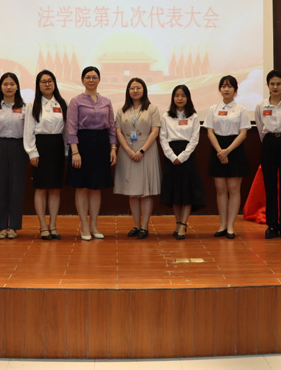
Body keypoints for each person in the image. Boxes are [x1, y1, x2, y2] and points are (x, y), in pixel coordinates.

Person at [66, 66, 117, 241]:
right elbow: (71, 127)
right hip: (83, 145)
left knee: (96, 188)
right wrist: (75, 152)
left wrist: (113, 148)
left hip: (101, 145)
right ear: (82, 80)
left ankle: (94, 225)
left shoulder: (106, 102)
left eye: (94, 77)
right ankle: (84, 226)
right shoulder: (75, 101)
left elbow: (112, 127)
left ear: (99, 79)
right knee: (82, 187)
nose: (91, 80)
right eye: (88, 77)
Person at [23, 69, 68, 240]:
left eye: (50, 81)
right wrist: (32, 152)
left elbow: (66, 130)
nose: (47, 84)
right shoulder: (32, 104)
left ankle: (53, 226)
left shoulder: (62, 103)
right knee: (41, 188)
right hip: (40, 147)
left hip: (57, 146)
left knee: (55, 188)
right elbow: (28, 130)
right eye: (43, 81)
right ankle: (43, 226)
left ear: (54, 83)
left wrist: (66, 151)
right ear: (38, 85)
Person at [115, 78, 162, 239]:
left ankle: (144, 227)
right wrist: (128, 150)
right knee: (132, 192)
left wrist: (142, 150)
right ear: (128, 91)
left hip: (146, 151)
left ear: (144, 90)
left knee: (146, 192)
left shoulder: (152, 108)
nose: (135, 91)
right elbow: (118, 131)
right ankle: (136, 225)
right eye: (132, 88)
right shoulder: (122, 110)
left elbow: (155, 131)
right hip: (127, 151)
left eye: (138, 87)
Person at [204, 75, 251, 239]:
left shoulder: (241, 109)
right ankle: (223, 224)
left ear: (235, 90)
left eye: (230, 86)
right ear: (219, 89)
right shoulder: (213, 109)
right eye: (223, 86)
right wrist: (220, 151)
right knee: (221, 189)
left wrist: (227, 151)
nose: (226, 89)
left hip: (235, 150)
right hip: (217, 149)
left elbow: (243, 133)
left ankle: (231, 226)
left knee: (233, 189)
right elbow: (209, 132)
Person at [254, 70, 281, 240]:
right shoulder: (261, 106)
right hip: (269, 143)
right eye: (272, 83)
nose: (275, 87)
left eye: (278, 84)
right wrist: (270, 141)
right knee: (270, 185)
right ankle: (272, 224)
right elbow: (260, 129)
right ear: (268, 85)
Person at [0, 72, 27, 240]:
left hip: (19, 147)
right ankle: (1, 226)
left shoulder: (25, 107)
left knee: (16, 188)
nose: (9, 87)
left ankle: (14, 226)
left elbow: (29, 131)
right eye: (5, 84)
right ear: (0, 87)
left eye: (12, 84)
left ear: (17, 87)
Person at [159, 84, 205, 240]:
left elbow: (194, 139)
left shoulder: (193, 116)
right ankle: (178, 223)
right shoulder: (166, 116)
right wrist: (172, 157)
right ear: (173, 98)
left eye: (183, 95)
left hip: (188, 157)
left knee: (187, 191)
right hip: (170, 157)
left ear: (188, 98)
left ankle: (184, 224)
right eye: (177, 95)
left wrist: (183, 156)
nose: (180, 98)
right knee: (175, 192)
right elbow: (163, 138)